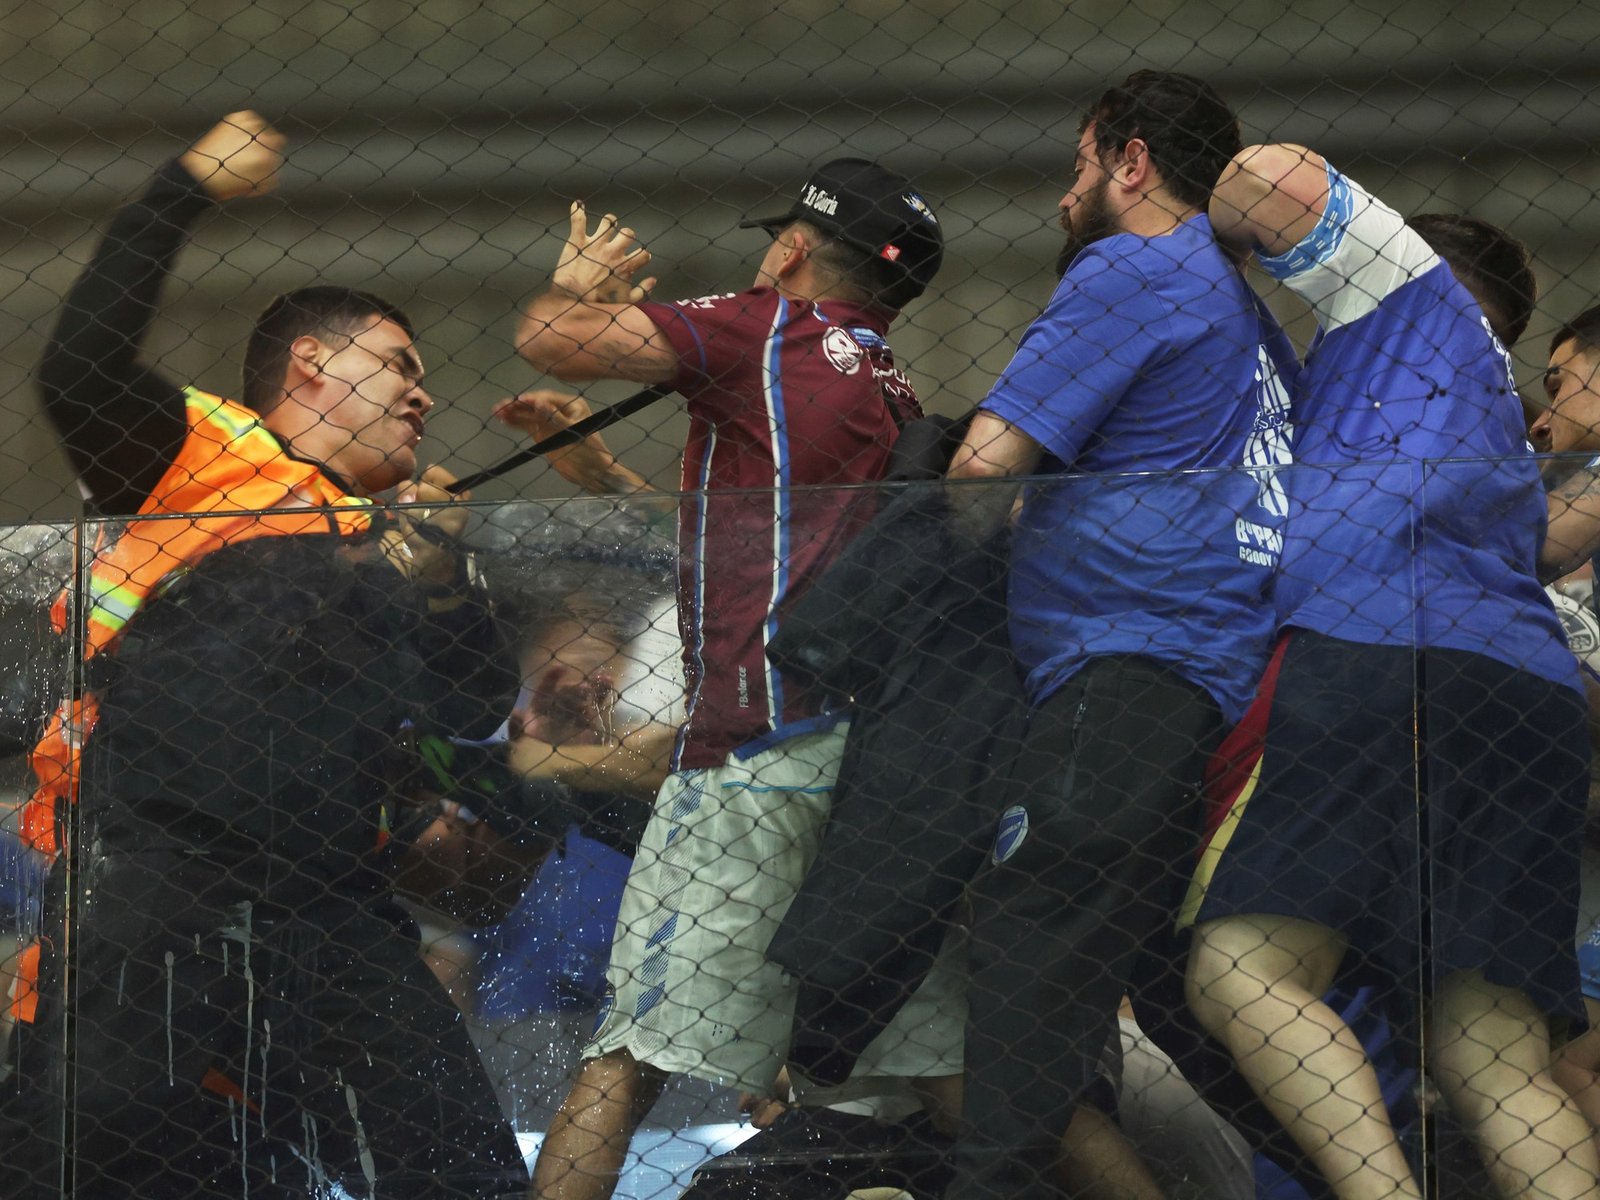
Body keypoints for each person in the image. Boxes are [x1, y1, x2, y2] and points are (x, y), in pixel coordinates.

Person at [0, 111, 540, 1197]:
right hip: (157, 886)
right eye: (398, 365)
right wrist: (184, 184)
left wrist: (443, 584)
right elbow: (79, 366)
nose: (425, 396)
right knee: (87, 1166)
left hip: (334, 905)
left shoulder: (399, 544)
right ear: (311, 364)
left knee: (463, 1173)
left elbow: (472, 703)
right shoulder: (208, 453)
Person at [506, 156, 958, 1200]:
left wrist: (580, 289)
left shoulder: (764, 324)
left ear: (793, 247)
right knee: (949, 1066)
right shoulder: (887, 384)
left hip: (748, 755)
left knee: (624, 1057)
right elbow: (796, 551)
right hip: (865, 760)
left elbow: (546, 339)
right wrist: (616, 480)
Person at [1182, 143, 1597, 1200]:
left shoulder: (1403, 290)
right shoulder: (1495, 430)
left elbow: (1266, 175)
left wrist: (1197, 242)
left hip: (1381, 652)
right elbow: (1549, 553)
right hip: (1524, 689)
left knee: (1244, 972)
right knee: (1492, 1059)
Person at [937, 69, 1298, 1200]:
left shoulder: (1133, 266)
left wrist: (968, 533)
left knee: (1025, 938)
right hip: (1225, 690)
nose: (1066, 192)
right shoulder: (1247, 313)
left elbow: (977, 471)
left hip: (1129, 665)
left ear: (1129, 161)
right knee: (1161, 981)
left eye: (1078, 162)